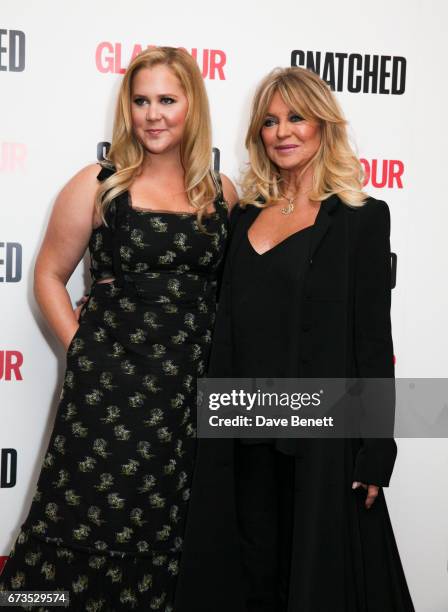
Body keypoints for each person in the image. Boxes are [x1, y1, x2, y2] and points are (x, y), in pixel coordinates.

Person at [0, 46, 237, 611]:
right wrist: (83, 346)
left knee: (162, 524)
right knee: (78, 515)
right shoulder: (99, 184)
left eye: (167, 100)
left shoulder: (221, 194)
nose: (153, 114)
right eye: (141, 100)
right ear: (127, 109)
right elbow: (50, 275)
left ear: (192, 107)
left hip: (182, 401)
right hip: (105, 393)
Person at [175, 67, 415, 612]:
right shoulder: (242, 217)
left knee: (315, 585)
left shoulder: (361, 219)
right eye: (269, 121)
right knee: (247, 581)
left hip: (319, 435)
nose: (282, 131)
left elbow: (374, 342)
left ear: (323, 125)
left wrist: (375, 450)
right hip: (240, 429)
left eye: (296, 117)